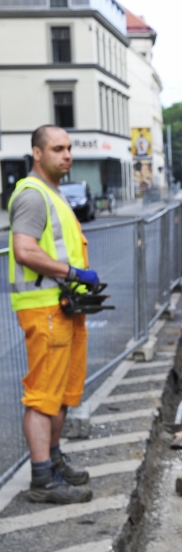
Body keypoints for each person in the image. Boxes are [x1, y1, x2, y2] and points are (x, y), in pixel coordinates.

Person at [8, 125, 100, 504]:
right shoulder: (32, 196)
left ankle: (55, 460)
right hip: (45, 309)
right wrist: (73, 273)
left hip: (64, 308)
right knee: (42, 396)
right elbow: (24, 250)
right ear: (37, 153)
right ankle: (42, 478)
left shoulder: (52, 193)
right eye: (58, 148)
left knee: (61, 394)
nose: (67, 155)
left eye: (69, 148)